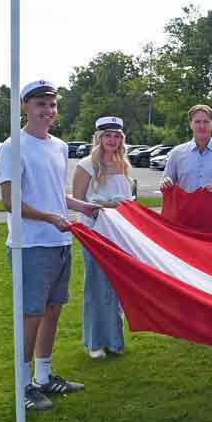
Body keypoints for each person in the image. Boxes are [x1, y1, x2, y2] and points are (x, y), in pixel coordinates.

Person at [0, 79, 102, 411]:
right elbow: (11, 201)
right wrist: (50, 218)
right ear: (26, 106)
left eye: (53, 105)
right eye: (41, 104)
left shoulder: (59, 146)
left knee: (53, 310)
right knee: (32, 314)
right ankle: (22, 385)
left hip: (60, 240)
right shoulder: (12, 147)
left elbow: (56, 194)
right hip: (30, 245)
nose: (48, 111)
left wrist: (79, 206)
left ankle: (44, 376)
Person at [72, 116, 133, 359]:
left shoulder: (124, 165)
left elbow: (129, 200)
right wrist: (108, 205)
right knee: (96, 286)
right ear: (99, 138)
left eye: (117, 135)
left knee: (116, 288)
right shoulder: (86, 165)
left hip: (118, 233)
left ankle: (114, 340)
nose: (113, 140)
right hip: (95, 232)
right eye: (108, 135)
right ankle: (94, 342)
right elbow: (78, 202)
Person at [159, 104, 212, 194]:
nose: (202, 126)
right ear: (190, 124)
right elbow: (163, 187)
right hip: (186, 208)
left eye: (206, 122)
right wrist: (165, 184)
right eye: (197, 122)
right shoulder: (177, 153)